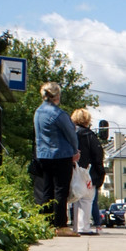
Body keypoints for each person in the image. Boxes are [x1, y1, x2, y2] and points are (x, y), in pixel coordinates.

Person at [33, 82, 80, 236]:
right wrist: (75, 150)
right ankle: (60, 225)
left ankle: (46, 223)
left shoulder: (38, 112)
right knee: (61, 189)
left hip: (43, 155)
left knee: (47, 189)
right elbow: (71, 134)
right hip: (61, 154)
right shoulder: (58, 114)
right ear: (57, 95)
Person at [71, 108, 106, 233]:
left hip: (71, 170)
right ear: (87, 120)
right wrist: (100, 173)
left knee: (72, 198)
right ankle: (83, 227)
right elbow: (98, 156)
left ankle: (72, 226)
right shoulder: (90, 136)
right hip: (87, 172)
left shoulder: (70, 133)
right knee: (86, 199)